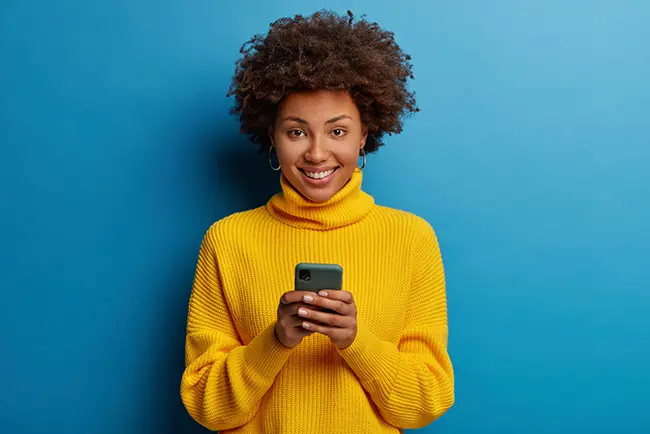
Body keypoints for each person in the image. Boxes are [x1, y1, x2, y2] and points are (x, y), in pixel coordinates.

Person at [180, 10, 454, 433]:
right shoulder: (228, 240)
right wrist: (276, 341)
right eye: (296, 132)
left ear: (365, 134)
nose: (317, 153)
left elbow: (424, 403)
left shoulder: (411, 238)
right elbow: (207, 405)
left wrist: (354, 341)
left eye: (338, 132)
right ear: (272, 136)